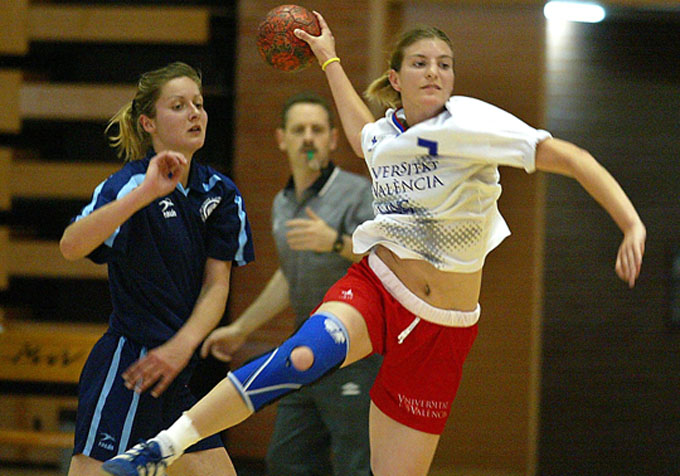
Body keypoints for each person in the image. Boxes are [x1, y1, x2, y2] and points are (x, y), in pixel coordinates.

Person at [102, 13, 646, 476]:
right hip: (377, 286)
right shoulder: (385, 136)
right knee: (301, 355)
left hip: (442, 326)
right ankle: (164, 446)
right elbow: (363, 132)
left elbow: (571, 159)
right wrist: (329, 58)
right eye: (420, 62)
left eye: (444, 63)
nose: (434, 70)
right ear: (396, 77)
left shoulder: (473, 122)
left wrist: (631, 224)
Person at [60, 61, 254, 476]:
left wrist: (182, 346)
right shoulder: (128, 185)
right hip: (130, 366)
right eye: (179, 105)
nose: (195, 113)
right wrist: (147, 192)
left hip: (178, 371)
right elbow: (71, 246)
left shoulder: (221, 194)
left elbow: (216, 287)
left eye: (198, 104)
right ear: (148, 122)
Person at [201, 91, 380, 476]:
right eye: (299, 130)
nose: (308, 139)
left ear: (333, 138)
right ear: (282, 139)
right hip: (305, 350)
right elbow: (289, 273)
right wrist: (241, 328)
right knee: (286, 461)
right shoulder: (283, 202)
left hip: (355, 354)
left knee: (359, 465)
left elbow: (387, 263)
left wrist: (333, 240)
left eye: (317, 130)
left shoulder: (357, 193)